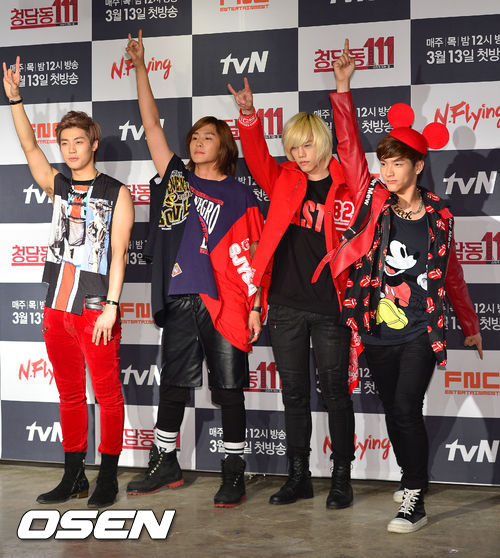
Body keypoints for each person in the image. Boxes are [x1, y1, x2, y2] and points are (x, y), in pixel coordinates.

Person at [327, 40, 483, 533]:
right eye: (384, 163)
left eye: (397, 163)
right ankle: (412, 476)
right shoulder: (374, 202)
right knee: (395, 413)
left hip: (420, 329)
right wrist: (343, 87)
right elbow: (349, 150)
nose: (387, 171)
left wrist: (469, 323)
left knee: (405, 407)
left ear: (418, 165)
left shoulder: (440, 216)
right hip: (376, 327)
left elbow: (451, 273)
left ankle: (414, 496)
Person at [125, 31, 264, 508]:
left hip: (228, 302)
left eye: (208, 137)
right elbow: (151, 125)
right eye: (195, 137)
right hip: (183, 297)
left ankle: (233, 471)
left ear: (224, 146)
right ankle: (165, 462)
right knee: (174, 384)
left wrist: (255, 306)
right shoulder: (177, 179)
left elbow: (256, 258)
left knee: (229, 389)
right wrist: (140, 67)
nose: (198, 142)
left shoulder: (241, 195)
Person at [228, 71, 363, 509]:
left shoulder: (349, 180)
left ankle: (341, 478)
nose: (299, 155)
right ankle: (299, 476)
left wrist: (342, 91)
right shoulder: (284, 178)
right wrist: (249, 115)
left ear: (322, 143)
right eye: (292, 148)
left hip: (331, 306)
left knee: (336, 392)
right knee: (294, 394)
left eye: (306, 146)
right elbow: (255, 157)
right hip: (284, 304)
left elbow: (352, 145)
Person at [3, 57, 134, 508]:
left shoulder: (116, 192)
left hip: (96, 308)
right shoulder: (58, 185)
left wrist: (112, 306)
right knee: (70, 395)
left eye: (79, 141)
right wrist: (15, 100)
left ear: (93, 144)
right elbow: (29, 147)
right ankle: (74, 476)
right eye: (65, 142)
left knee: (108, 395)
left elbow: (119, 255)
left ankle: (108, 477)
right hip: (56, 307)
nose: (71, 149)